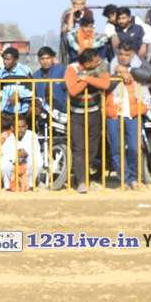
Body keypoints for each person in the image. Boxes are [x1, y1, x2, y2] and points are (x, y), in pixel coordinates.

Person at [105, 41, 151, 191]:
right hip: (114, 112)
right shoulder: (110, 65)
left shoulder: (141, 63)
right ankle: (124, 181)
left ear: (133, 54)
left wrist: (128, 70)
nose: (123, 57)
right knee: (117, 149)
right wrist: (119, 74)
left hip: (134, 113)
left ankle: (134, 178)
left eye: (127, 54)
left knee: (134, 148)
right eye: (121, 54)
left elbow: (148, 74)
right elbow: (106, 85)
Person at [65, 47, 111, 193]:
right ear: (86, 64)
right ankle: (81, 182)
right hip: (76, 114)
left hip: (95, 112)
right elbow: (73, 90)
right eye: (95, 61)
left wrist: (86, 78)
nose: (99, 63)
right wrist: (92, 80)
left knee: (92, 148)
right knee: (79, 148)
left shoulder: (100, 66)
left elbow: (106, 84)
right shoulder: (72, 69)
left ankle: (84, 178)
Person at [0, 114, 43, 191]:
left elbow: (37, 153)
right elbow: (5, 157)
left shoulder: (32, 136)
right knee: (3, 164)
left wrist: (27, 155)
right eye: (18, 127)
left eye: (23, 127)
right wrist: (16, 156)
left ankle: (31, 185)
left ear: (26, 127)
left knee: (38, 162)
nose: (20, 130)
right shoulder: (8, 140)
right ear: (12, 128)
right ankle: (7, 187)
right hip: (14, 165)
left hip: (28, 164)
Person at [0, 47, 33, 116]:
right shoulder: (1, 73)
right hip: (5, 112)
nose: (5, 61)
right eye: (4, 59)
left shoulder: (25, 70)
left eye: (8, 59)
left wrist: (17, 94)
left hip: (21, 112)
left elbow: (31, 91)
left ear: (16, 60)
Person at [34, 46, 67, 114]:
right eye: (42, 59)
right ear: (39, 60)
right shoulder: (36, 75)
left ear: (53, 58)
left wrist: (65, 104)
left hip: (60, 110)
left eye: (48, 58)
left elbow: (67, 89)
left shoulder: (61, 70)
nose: (45, 61)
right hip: (43, 111)